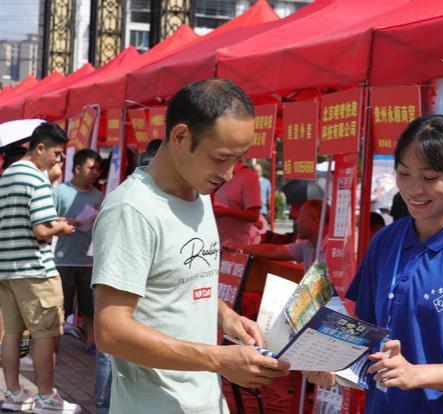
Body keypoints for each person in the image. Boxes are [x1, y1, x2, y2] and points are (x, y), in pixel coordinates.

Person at [92, 79, 289, 414]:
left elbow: (185, 283)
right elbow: (110, 330)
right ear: (180, 137)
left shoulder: (198, 195)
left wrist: (227, 318)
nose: (228, 175)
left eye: (238, 160)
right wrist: (219, 359)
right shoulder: (132, 210)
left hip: (206, 401)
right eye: (221, 158)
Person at [307, 115, 443, 413]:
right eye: (404, 173)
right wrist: (332, 364)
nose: (413, 189)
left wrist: (417, 374)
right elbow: (365, 334)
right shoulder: (385, 242)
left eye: (429, 178)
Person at [0, 122, 81, 414]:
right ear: (40, 148)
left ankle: (13, 393)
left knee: (11, 333)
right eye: (57, 154)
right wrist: (62, 226)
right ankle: (46, 398)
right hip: (35, 270)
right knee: (46, 334)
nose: (58, 160)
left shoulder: (7, 174)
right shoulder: (36, 178)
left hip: (7, 269)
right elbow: (41, 229)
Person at [53, 149, 103, 353]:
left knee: (89, 307)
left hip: (88, 261)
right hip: (63, 260)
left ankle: (92, 342)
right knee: (60, 307)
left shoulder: (99, 196)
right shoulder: (59, 192)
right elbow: (47, 220)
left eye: (99, 168)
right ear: (77, 168)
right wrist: (65, 222)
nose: (96, 172)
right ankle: (54, 344)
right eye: (92, 167)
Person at [223, 199, 328, 272]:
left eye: (300, 217)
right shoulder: (306, 245)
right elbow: (274, 251)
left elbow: (318, 293)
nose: (297, 222)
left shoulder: (330, 251)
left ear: (313, 221)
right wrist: (241, 248)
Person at [213, 160, 263, 245]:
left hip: (234, 247)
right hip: (211, 245)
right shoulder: (215, 173)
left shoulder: (248, 176)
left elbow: (254, 215)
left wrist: (226, 211)